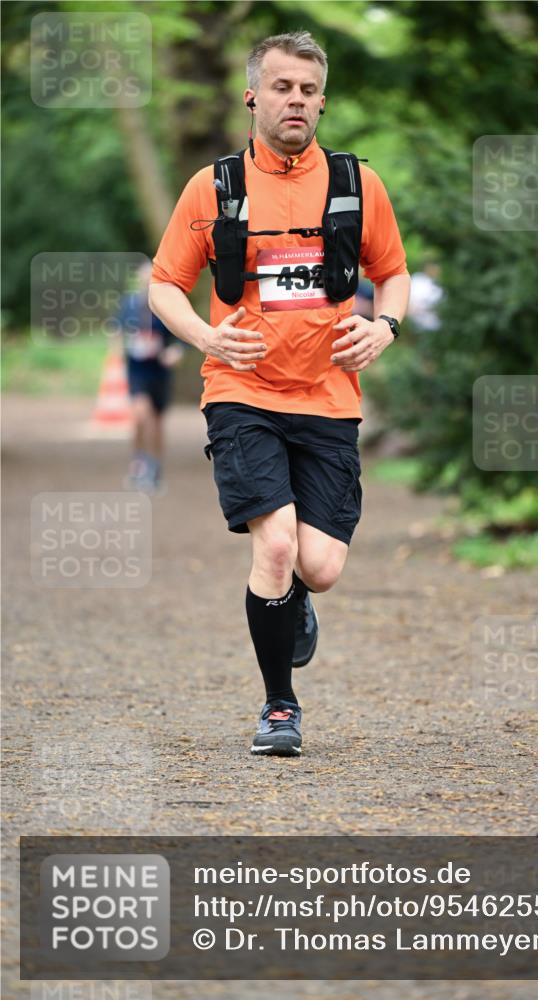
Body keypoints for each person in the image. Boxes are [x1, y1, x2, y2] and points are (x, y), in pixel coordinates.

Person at [149, 31, 410, 756]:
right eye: (281, 87)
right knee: (275, 547)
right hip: (240, 391)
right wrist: (205, 338)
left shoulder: (357, 183)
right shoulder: (214, 187)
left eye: (306, 90)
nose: (294, 100)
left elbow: (393, 273)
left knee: (318, 567)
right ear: (252, 95)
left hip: (329, 395)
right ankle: (277, 708)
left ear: (320, 101)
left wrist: (384, 325)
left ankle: (291, 600)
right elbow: (165, 284)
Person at [119, 261, 183, 493]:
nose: (147, 284)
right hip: (137, 370)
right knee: (140, 415)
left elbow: (180, 335)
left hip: (160, 371)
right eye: (143, 280)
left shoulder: (164, 305)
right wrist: (120, 346)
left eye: (150, 280)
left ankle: (155, 468)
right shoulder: (129, 304)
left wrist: (175, 352)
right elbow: (117, 330)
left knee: (156, 422)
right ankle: (138, 463)